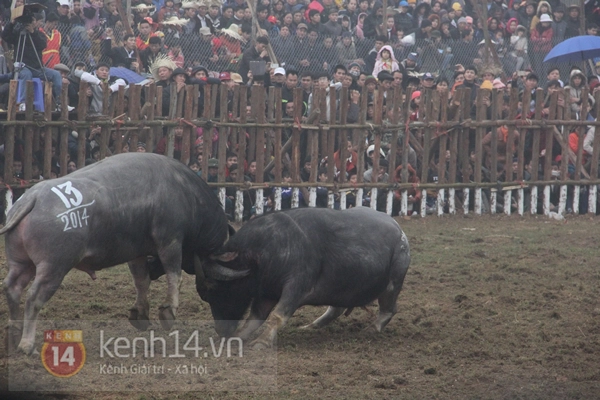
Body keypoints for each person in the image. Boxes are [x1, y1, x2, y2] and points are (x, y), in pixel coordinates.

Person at [2, 13, 63, 106]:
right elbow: (5, 36)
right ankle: (22, 103)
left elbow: (42, 45)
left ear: (36, 22)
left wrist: (32, 32)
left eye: (33, 20)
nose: (31, 22)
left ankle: (59, 102)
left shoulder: (39, 34)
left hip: (37, 68)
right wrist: (12, 23)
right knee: (27, 74)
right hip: (22, 68)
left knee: (56, 74)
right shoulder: (19, 33)